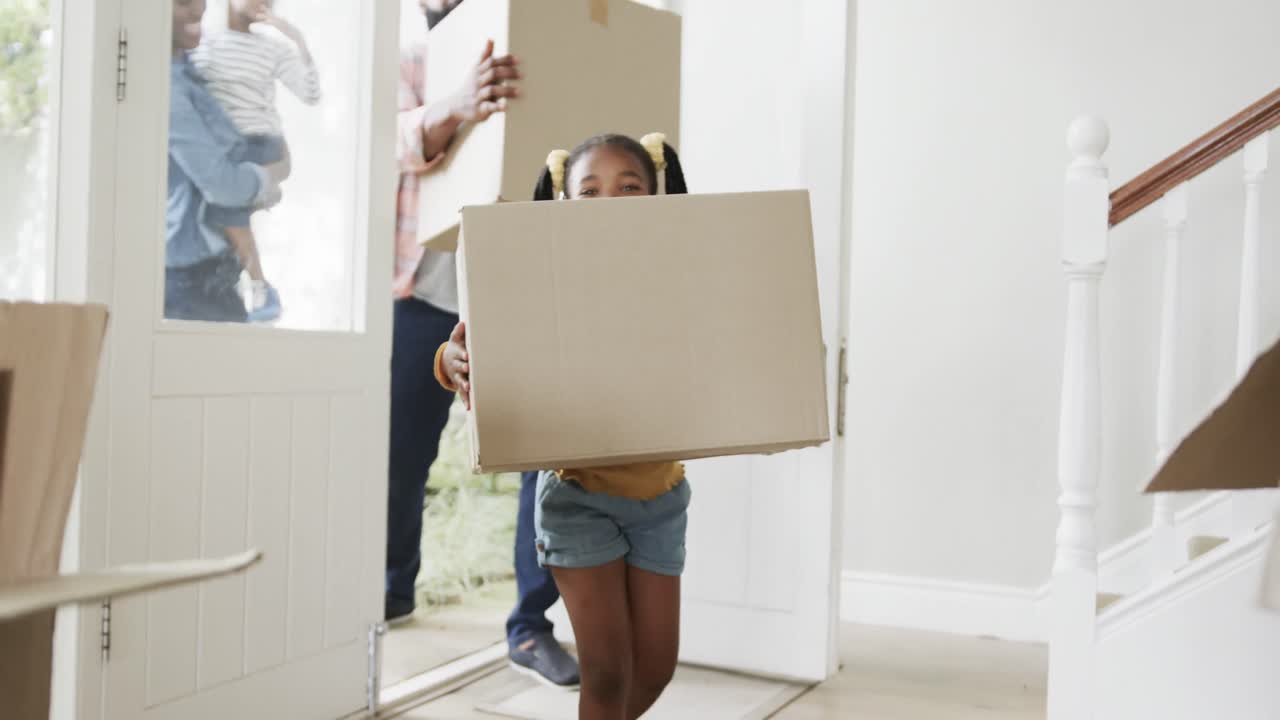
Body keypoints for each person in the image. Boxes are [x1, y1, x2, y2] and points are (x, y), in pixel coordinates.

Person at [437, 133, 692, 720]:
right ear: (562, 204)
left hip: (662, 497)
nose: (610, 200)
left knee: (654, 668)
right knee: (606, 670)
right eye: (590, 189)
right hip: (578, 496)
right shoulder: (543, 278)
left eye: (629, 188)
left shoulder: (674, 274)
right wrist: (450, 363)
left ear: (656, 195)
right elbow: (473, 344)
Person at [388, 0, 579, 689]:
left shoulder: (524, 32)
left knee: (541, 457)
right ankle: (390, 595)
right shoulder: (394, 43)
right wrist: (458, 105)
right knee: (397, 456)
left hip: (516, 281)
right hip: (416, 284)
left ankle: (530, 626)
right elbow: (378, 146)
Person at [192, 0, 322, 322]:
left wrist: (296, 37)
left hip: (260, 143)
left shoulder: (271, 48)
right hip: (222, 145)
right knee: (217, 212)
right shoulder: (206, 42)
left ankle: (259, 286)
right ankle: (243, 287)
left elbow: (310, 93)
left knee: (224, 202)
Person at [166, 0, 285, 322]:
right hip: (189, 283)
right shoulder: (168, 87)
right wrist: (269, 177)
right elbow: (223, 185)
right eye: (182, 2)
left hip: (211, 275)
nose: (198, 9)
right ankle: (260, 285)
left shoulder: (196, 70)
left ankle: (259, 285)